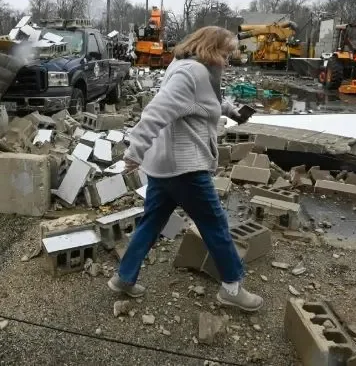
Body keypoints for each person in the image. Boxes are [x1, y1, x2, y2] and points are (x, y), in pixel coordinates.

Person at [107, 26, 264, 313]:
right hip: (185, 169)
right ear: (211, 48)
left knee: (151, 223)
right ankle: (232, 287)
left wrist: (231, 111)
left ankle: (123, 279)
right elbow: (157, 111)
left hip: (165, 167)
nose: (228, 60)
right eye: (226, 54)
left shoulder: (190, 67)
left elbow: (206, 100)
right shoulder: (191, 73)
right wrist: (135, 150)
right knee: (215, 225)